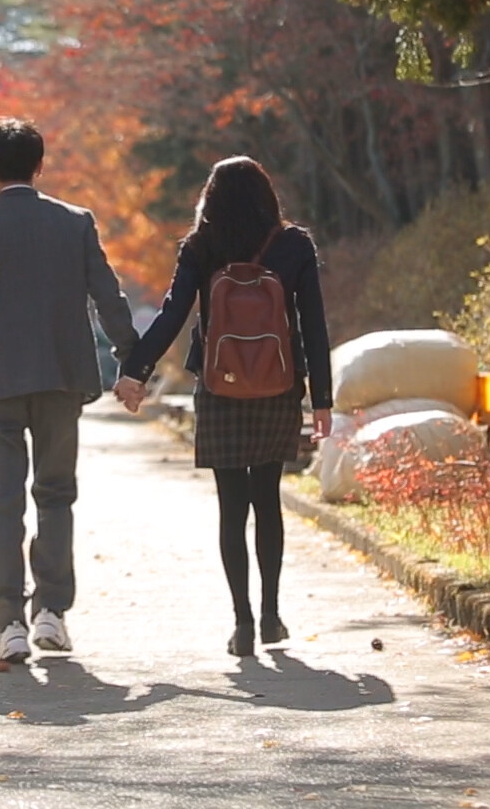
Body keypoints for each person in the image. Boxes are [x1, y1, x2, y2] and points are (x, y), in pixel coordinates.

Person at [0, 118, 140, 664]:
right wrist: (133, 362)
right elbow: (108, 296)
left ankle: (9, 623)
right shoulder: (74, 223)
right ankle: (52, 611)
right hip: (61, 378)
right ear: (40, 165)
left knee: (3, 501)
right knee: (56, 494)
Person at [114, 157, 332, 657]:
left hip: (219, 386)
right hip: (279, 384)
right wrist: (322, 399)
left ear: (209, 199)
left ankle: (243, 623)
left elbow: (173, 313)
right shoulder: (293, 244)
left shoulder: (201, 245)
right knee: (268, 500)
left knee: (232, 506)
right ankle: (272, 615)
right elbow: (313, 325)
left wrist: (136, 372)